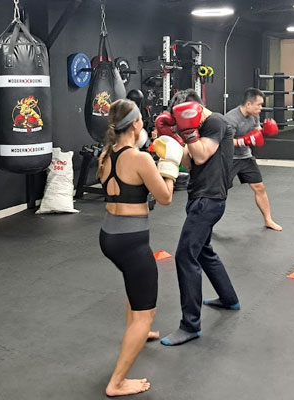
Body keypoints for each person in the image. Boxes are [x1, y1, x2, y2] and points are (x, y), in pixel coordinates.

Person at [97, 99, 184, 396]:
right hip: (131, 242)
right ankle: (117, 383)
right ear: (135, 124)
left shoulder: (106, 154)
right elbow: (165, 198)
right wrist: (169, 166)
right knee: (147, 311)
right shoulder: (140, 158)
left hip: (109, 236)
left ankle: (139, 331)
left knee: (133, 284)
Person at [156, 89, 241, 347]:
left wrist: (188, 131)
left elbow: (202, 154)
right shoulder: (199, 128)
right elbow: (190, 162)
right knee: (204, 251)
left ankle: (190, 325)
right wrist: (173, 137)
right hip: (199, 196)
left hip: (209, 199)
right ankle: (229, 298)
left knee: (185, 255)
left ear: (193, 108)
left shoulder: (215, 121)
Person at [224, 88, 282, 231]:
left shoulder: (254, 115)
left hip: (246, 157)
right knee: (219, 192)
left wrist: (265, 131)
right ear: (248, 104)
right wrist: (244, 141)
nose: (261, 108)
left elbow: (256, 131)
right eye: (259, 105)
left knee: (259, 187)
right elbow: (225, 142)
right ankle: (206, 223)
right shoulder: (231, 119)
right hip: (229, 158)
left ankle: (268, 220)